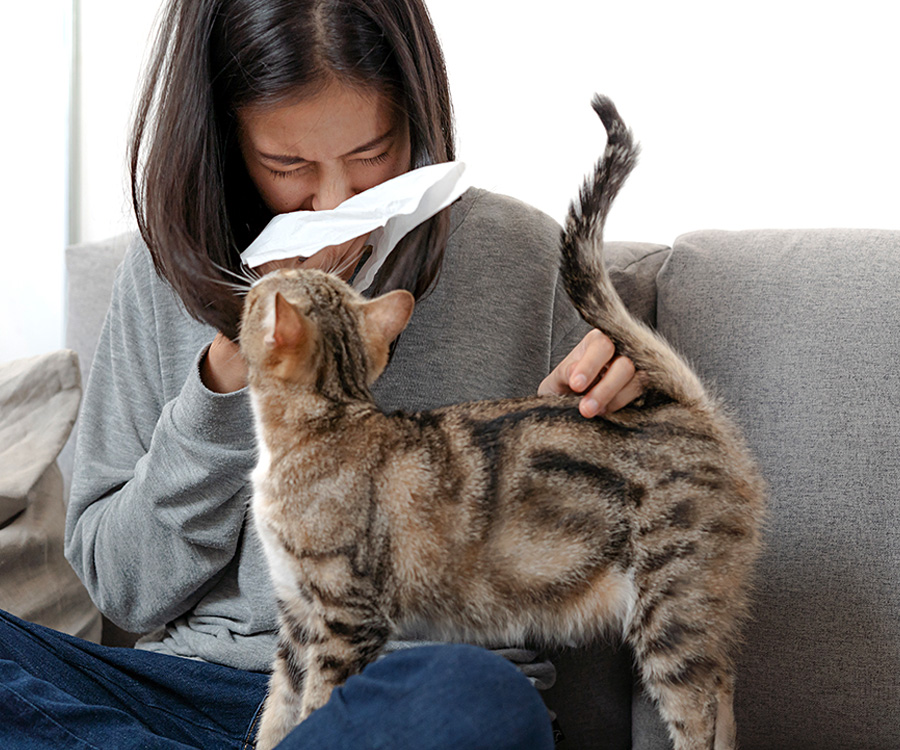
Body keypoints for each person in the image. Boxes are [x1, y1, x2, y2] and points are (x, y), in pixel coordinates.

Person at [1, 0, 641, 747]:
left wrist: (600, 435)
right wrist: (225, 379)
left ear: (418, 114)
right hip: (189, 691)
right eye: (289, 166)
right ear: (228, 142)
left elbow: (600, 568)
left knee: (475, 699)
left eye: (373, 152)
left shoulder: (524, 256)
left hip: (402, 692)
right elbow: (125, 591)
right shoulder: (160, 272)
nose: (339, 202)